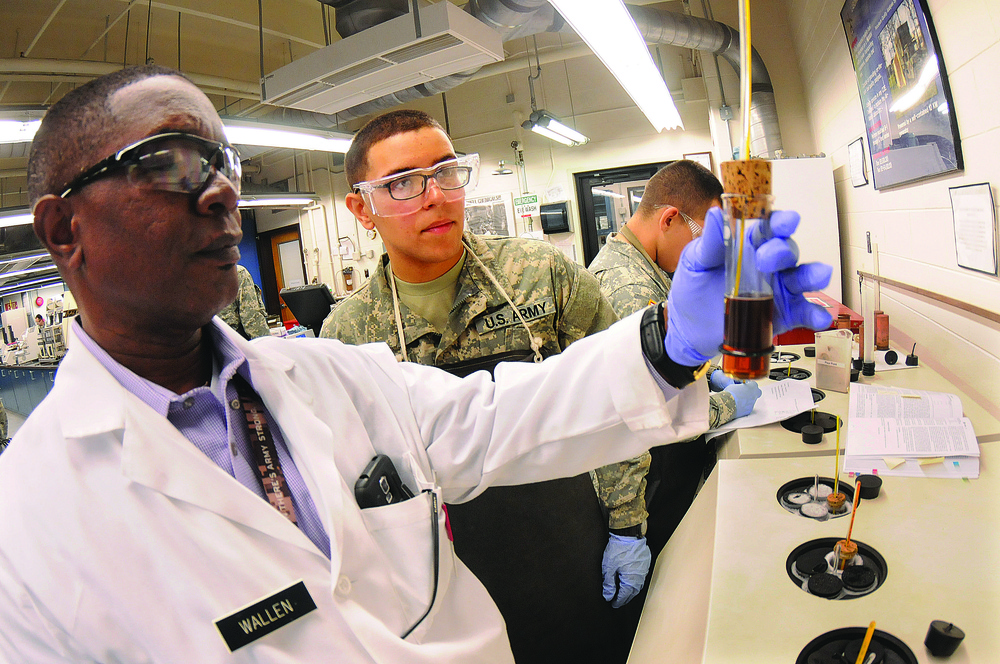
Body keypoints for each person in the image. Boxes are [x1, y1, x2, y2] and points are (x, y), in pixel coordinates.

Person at [0, 65, 832, 663]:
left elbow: (504, 414)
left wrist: (670, 344)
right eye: (173, 164)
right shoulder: (28, 531)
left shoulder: (333, 378)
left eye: (225, 164)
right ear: (63, 230)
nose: (220, 193)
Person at [318, 109, 648, 663]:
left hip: (567, 541)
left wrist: (627, 523)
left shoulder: (540, 274)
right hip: (441, 576)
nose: (435, 197)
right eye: (402, 183)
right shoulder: (349, 334)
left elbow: (617, 398)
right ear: (362, 208)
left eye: (445, 172)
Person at [589, 160, 762, 561]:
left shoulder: (642, 266)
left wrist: (711, 373)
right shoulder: (631, 289)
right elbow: (656, 413)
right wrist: (729, 404)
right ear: (670, 218)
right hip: (648, 487)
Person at [218, 263, 271, 339]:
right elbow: (252, 321)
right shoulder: (237, 273)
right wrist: (267, 346)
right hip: (236, 345)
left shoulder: (197, 278)